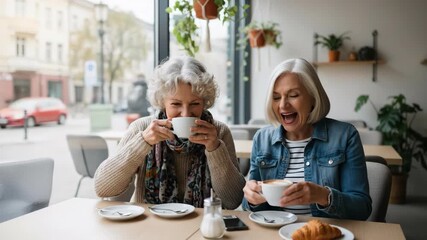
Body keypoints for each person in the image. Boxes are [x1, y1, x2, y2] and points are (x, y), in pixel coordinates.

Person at [95, 56, 246, 209]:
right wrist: (143, 142)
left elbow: (233, 201)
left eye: (195, 103)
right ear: (162, 102)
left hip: (200, 226)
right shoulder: (142, 128)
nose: (186, 113)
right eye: (176, 104)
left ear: (204, 102)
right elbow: (103, 189)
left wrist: (215, 149)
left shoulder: (219, 132)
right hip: (149, 226)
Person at [242, 58, 372, 220]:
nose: (283, 105)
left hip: (324, 234)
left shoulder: (345, 136)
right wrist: (251, 199)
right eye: (276, 97)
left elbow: (362, 208)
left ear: (313, 97)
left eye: (293, 95)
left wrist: (324, 196)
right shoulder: (262, 139)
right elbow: (249, 206)